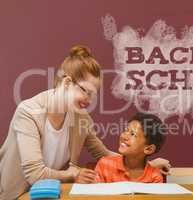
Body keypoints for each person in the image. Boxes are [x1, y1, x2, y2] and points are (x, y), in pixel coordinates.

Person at [0, 45, 170, 200]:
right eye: (86, 92)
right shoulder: (28, 112)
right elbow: (35, 174)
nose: (89, 100)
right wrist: (72, 174)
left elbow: (103, 154)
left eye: (93, 94)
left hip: (52, 195)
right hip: (16, 195)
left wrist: (145, 163)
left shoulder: (81, 118)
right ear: (67, 83)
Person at [94, 112, 166, 183]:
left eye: (132, 134)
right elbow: (95, 193)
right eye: (126, 130)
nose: (124, 136)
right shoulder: (104, 164)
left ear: (148, 149)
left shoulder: (155, 177)